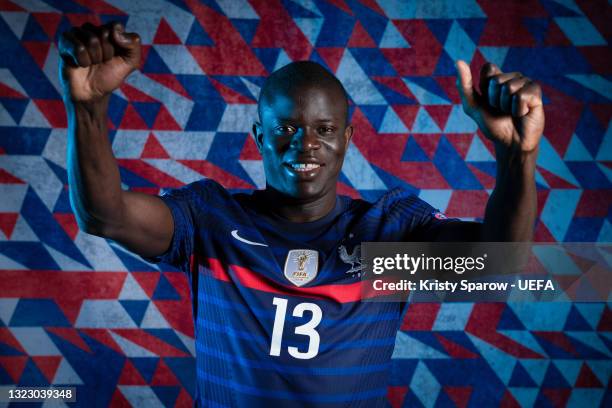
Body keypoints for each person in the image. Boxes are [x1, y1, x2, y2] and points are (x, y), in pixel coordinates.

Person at [59, 22, 544, 407]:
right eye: (286, 127)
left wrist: (515, 156)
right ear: (259, 136)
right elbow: (107, 216)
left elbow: (497, 266)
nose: (306, 144)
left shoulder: (385, 238)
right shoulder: (211, 222)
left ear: (348, 139)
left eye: (325, 128)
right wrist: (89, 107)